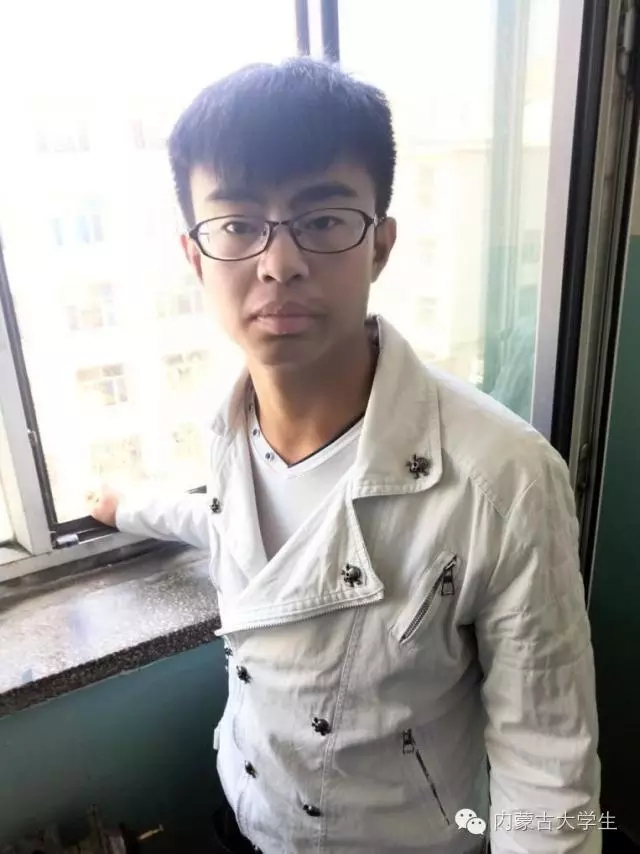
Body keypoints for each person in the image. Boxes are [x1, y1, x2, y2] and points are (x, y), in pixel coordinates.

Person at [89, 58, 600, 854]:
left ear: (381, 245)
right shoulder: (225, 424)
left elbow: (547, 773)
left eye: (324, 221)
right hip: (250, 810)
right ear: (195, 257)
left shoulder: (503, 477)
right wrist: (128, 507)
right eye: (238, 225)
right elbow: (234, 525)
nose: (279, 263)